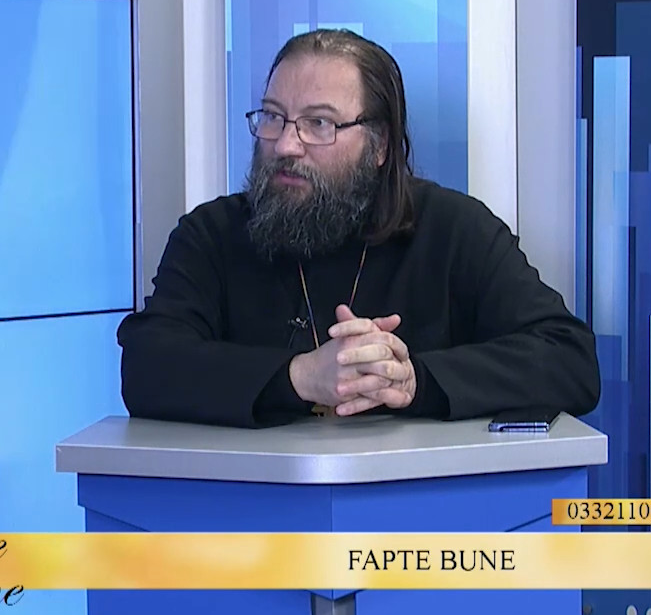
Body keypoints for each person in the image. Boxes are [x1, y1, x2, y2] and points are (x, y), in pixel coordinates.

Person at [117, 29, 600, 428]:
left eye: (319, 123)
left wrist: (413, 380)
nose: (285, 145)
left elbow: (569, 359)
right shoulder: (212, 235)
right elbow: (147, 367)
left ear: (380, 144)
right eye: (273, 117)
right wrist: (301, 376)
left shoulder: (455, 230)